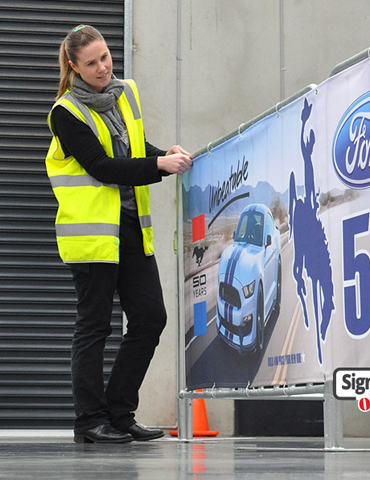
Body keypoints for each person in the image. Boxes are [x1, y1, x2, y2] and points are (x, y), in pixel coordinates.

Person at [45, 24, 192, 444]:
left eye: (105, 57)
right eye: (90, 63)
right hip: (91, 237)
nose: (102, 68)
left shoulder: (125, 92)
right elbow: (103, 167)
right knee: (95, 327)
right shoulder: (65, 113)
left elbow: (131, 146)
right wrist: (159, 169)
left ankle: (120, 412)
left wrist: (164, 154)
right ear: (73, 66)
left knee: (150, 318)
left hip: (129, 229)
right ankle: (89, 421)